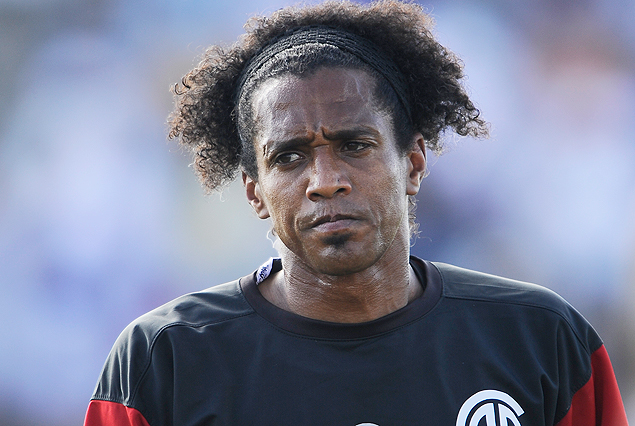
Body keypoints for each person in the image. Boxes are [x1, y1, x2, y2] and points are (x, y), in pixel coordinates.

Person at [84, 1, 629, 425]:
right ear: (254, 192)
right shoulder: (165, 360)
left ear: (413, 162)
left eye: (355, 145)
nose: (325, 181)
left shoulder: (540, 339)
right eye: (289, 157)